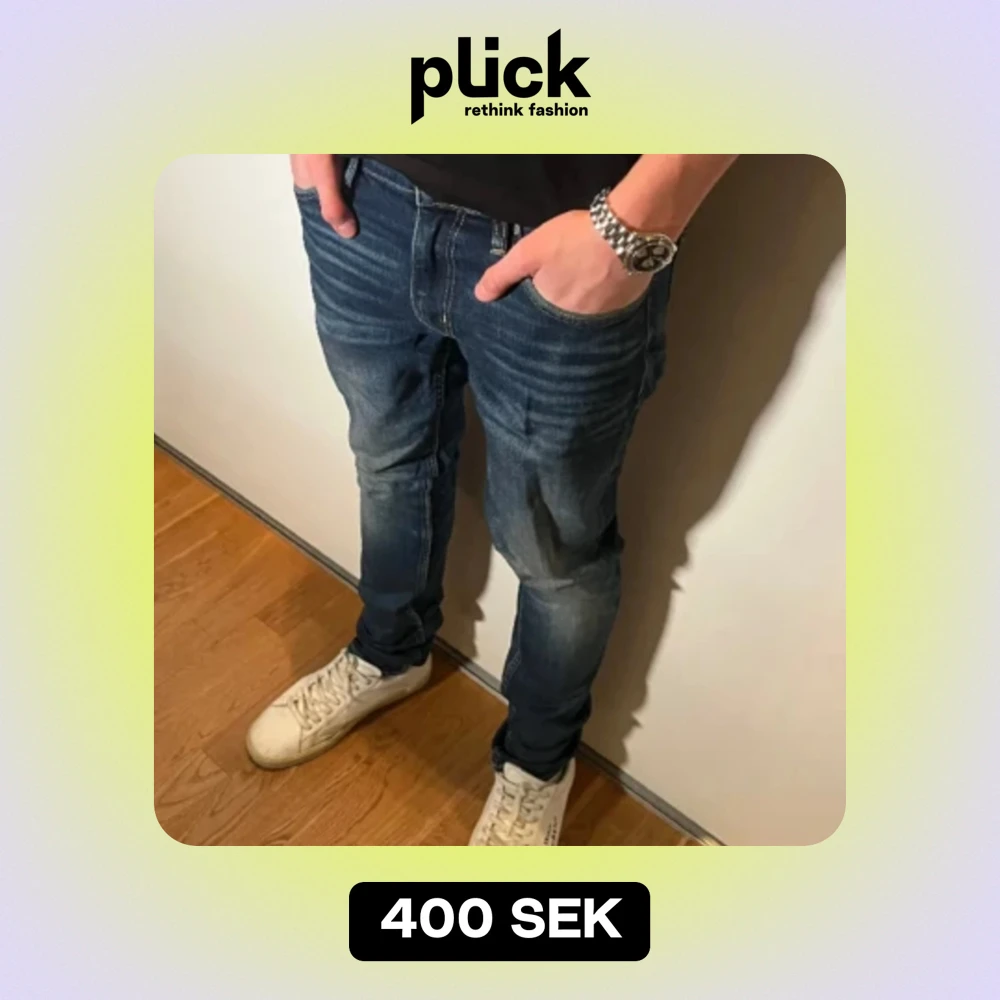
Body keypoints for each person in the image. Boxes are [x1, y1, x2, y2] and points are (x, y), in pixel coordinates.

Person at [245, 154, 736, 845]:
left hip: (570, 227)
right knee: (387, 462)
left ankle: (538, 764)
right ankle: (389, 655)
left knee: (554, 552)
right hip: (367, 196)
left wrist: (627, 231)